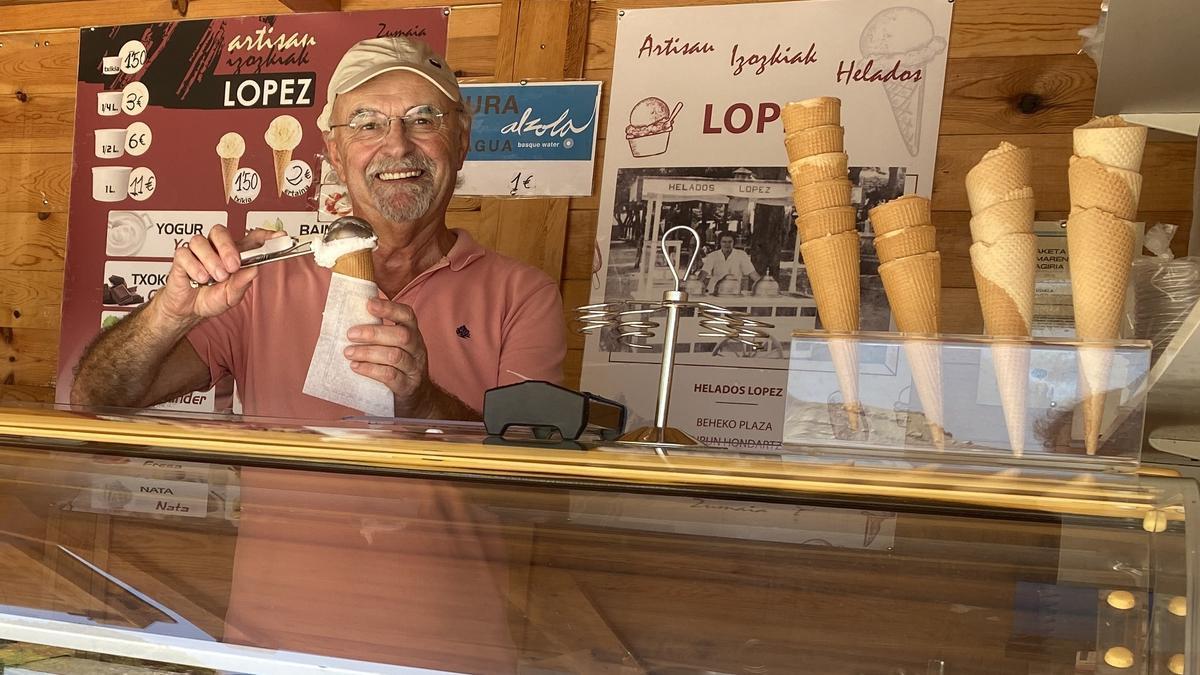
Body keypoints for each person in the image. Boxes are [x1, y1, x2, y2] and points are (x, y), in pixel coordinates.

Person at [71, 37, 567, 420]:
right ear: (334, 151)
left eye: (423, 120)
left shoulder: (522, 296)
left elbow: (534, 483)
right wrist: (169, 313)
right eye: (367, 124)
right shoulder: (263, 280)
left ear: (461, 143)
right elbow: (95, 401)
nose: (397, 146)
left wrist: (421, 404)